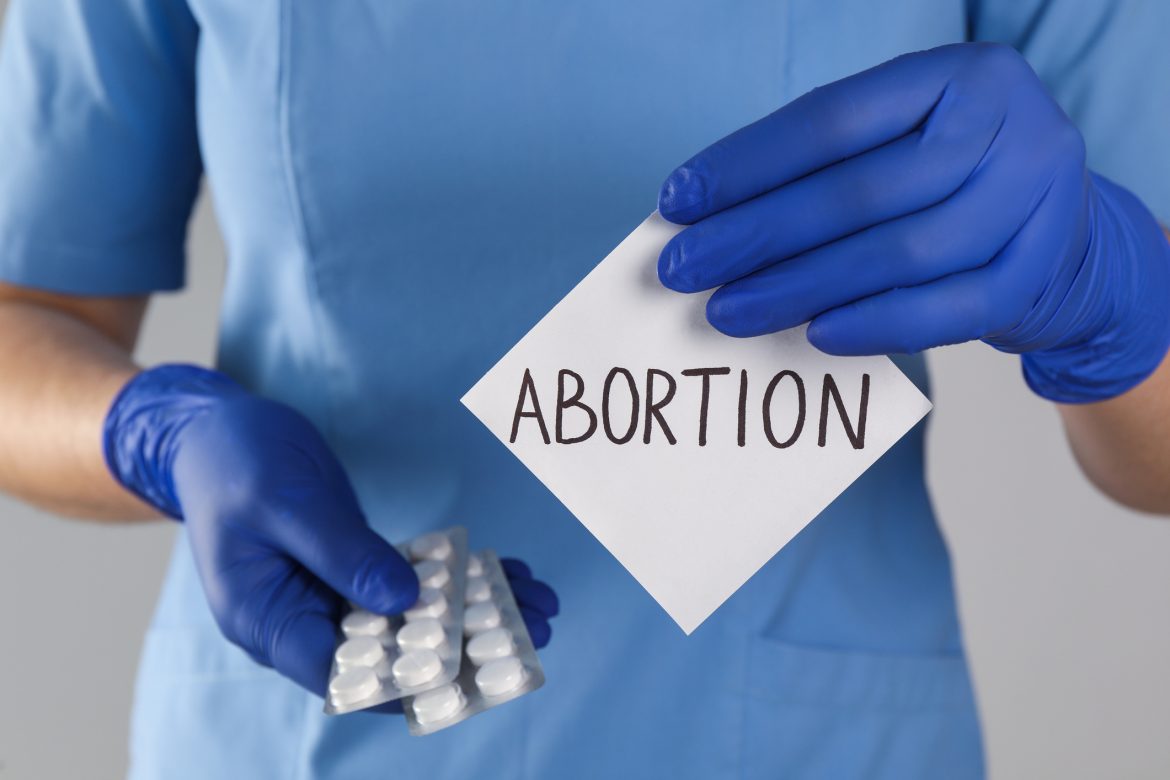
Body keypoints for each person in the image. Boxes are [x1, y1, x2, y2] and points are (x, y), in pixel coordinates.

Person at [0, 1, 1167, 777]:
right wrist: (157, 433)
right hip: (299, 724)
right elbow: (23, 321)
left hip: (803, 740)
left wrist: (1104, 289)